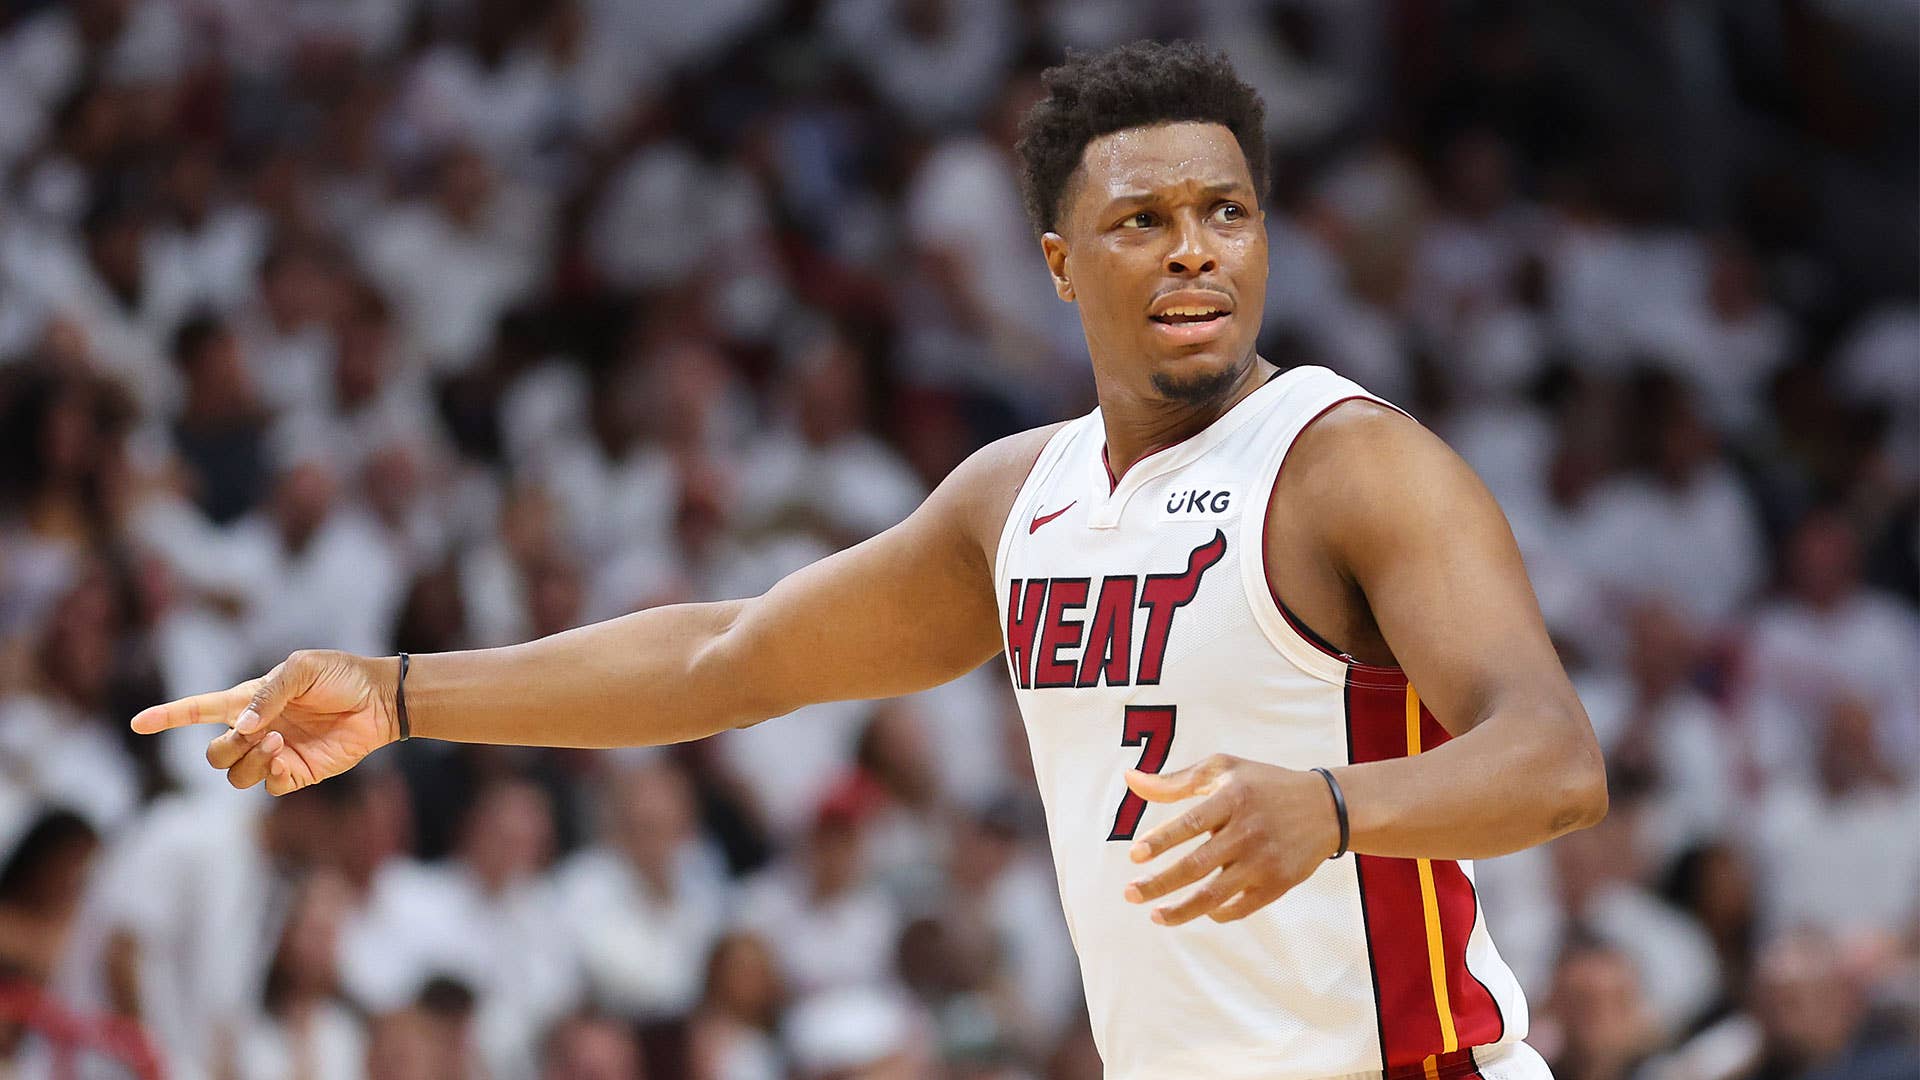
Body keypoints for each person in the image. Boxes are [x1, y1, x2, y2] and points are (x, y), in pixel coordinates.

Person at [131, 40, 1606, 1080]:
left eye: (1227, 213)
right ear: (1054, 262)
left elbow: (1551, 761)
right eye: (1143, 221)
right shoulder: (1014, 498)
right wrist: (395, 695)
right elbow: (727, 659)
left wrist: (1336, 810)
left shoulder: (1351, 463)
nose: (1197, 252)